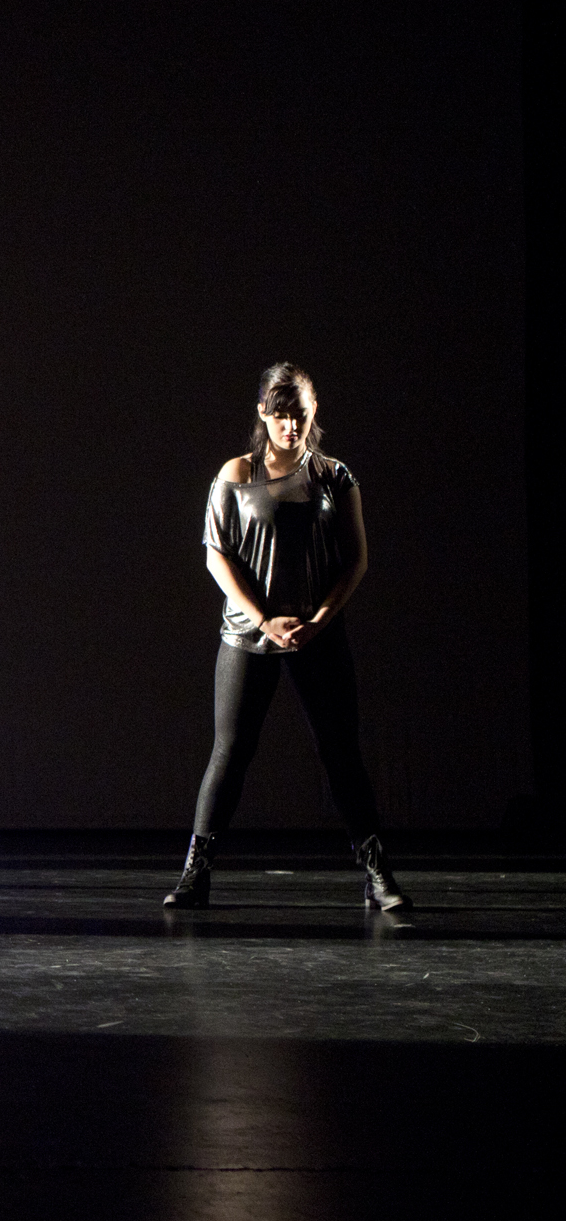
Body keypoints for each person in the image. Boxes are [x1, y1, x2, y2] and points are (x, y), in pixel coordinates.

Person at [164, 364, 409, 911]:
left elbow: (356, 560)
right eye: (280, 415)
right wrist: (262, 619)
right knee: (230, 753)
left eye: (299, 414)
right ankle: (195, 874)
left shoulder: (334, 476)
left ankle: (378, 875)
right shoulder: (237, 473)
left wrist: (319, 619)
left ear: (313, 411)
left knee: (341, 753)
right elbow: (216, 556)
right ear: (262, 413)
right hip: (247, 636)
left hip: (315, 635)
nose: (290, 425)